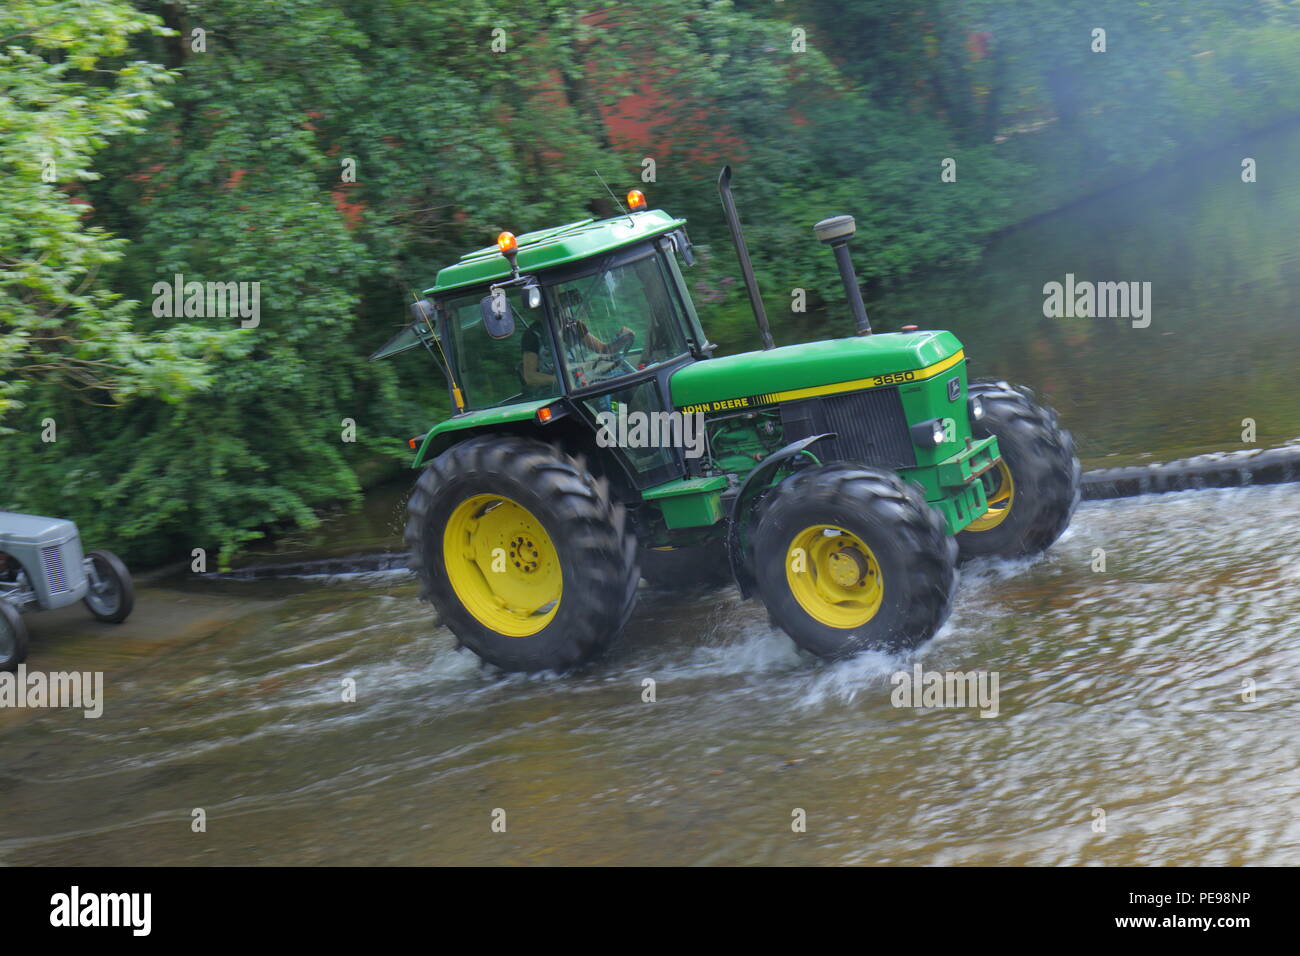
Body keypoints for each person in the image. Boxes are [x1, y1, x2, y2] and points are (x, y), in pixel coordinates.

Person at [520, 289, 632, 393]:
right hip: (556, 391)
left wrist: (624, 338)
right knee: (602, 397)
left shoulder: (574, 326)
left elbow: (604, 349)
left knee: (624, 377)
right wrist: (560, 380)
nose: (562, 309)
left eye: (563, 304)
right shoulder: (533, 335)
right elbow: (530, 376)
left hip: (582, 382)